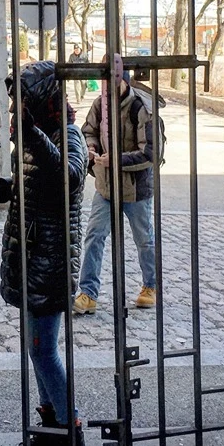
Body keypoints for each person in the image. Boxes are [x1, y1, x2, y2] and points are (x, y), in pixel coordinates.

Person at [0, 60, 88, 446]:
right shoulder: (37, 135)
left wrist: (31, 133)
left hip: (51, 264)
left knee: (45, 351)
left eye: (23, 103)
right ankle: (50, 430)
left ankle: (71, 440)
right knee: (37, 350)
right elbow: (37, 181)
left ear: (44, 100)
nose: (17, 111)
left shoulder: (68, 134)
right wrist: (10, 187)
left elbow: (69, 176)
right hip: (31, 259)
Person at [73, 66, 158, 316]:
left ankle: (151, 286)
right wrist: (90, 148)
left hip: (136, 189)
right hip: (106, 186)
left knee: (144, 239)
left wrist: (116, 160)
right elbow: (88, 131)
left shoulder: (141, 107)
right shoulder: (99, 104)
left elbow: (150, 153)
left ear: (123, 81)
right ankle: (88, 293)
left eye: (112, 82)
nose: (107, 88)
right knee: (94, 236)